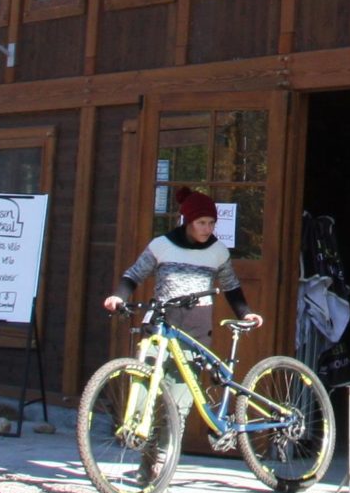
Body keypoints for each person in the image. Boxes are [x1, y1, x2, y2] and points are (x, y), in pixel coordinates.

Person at [103, 190, 261, 467]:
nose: (208, 229)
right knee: (145, 382)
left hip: (196, 329)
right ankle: (140, 439)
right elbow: (134, 274)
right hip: (162, 322)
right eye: (202, 223)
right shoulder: (162, 245)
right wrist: (119, 296)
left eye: (212, 223)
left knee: (178, 399)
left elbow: (231, 286)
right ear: (187, 221)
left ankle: (162, 456)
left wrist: (245, 313)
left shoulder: (217, 251)